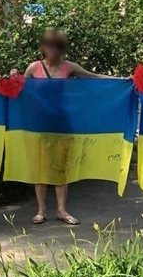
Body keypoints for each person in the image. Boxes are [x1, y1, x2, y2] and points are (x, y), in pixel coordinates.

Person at [11, 30, 114, 226]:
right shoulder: (34, 68)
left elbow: (94, 77)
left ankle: (61, 210)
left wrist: (121, 81)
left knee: (61, 166)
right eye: (50, 46)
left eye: (58, 47)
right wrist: (13, 76)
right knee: (39, 166)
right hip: (39, 124)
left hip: (63, 123)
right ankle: (40, 211)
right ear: (43, 48)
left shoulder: (70, 67)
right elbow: (20, 91)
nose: (54, 50)